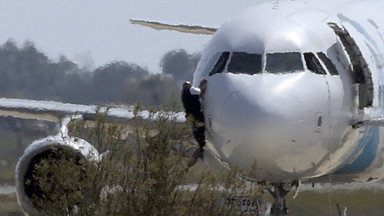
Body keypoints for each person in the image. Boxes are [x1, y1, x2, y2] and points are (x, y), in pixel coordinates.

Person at [181, 81, 206, 160]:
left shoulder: (183, 93)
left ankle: (200, 147)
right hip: (196, 113)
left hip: (190, 115)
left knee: (195, 130)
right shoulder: (191, 90)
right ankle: (202, 146)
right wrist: (203, 84)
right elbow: (201, 92)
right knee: (201, 128)